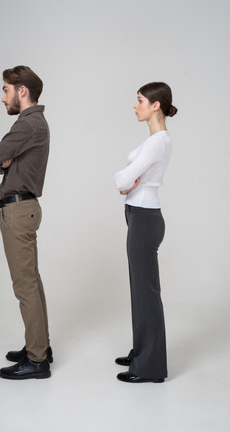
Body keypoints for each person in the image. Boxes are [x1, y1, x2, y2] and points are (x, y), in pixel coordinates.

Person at [0, 65, 52, 380]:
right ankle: (39, 346)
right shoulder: (34, 124)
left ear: (21, 90)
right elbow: (2, 161)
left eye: (5, 90)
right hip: (25, 208)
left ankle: (37, 361)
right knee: (31, 283)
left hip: (19, 211)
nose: (3, 98)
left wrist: (1, 161)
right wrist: (3, 162)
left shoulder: (27, 126)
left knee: (25, 286)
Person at [114, 82, 177, 383]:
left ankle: (150, 367)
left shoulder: (157, 142)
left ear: (156, 105)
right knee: (140, 292)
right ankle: (142, 351)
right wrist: (127, 179)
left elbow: (122, 180)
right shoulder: (153, 140)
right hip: (140, 215)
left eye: (140, 100)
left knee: (146, 293)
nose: (135, 105)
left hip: (144, 218)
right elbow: (126, 181)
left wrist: (126, 177)